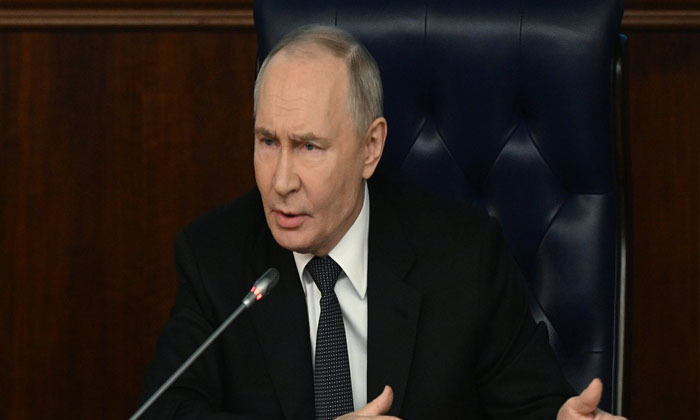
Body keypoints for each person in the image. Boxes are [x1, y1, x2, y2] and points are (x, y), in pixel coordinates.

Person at [140, 25, 628, 420]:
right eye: (268, 141)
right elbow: (166, 410)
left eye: (309, 146)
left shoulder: (464, 257)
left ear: (370, 147)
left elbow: (534, 405)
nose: (281, 181)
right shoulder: (215, 257)